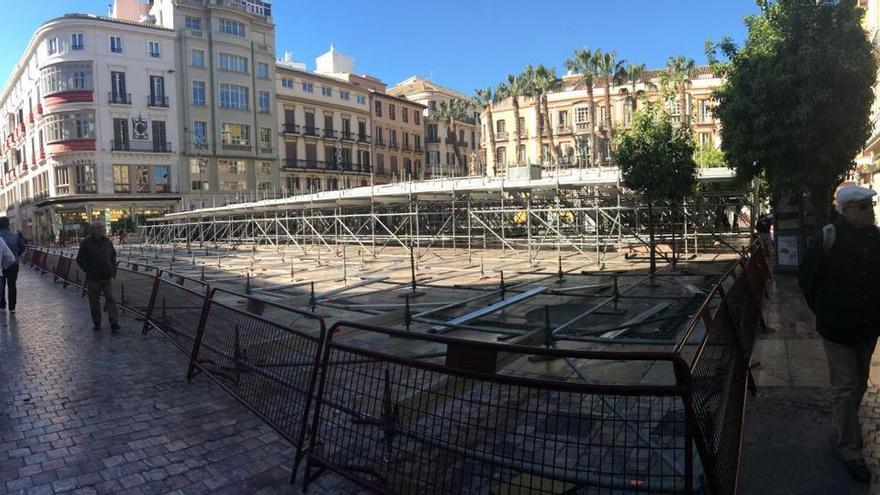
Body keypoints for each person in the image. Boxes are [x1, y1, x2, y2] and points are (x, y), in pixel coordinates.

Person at [798, 185, 880, 483]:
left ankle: (845, 424)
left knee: (859, 384)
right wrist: (825, 311)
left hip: (868, 328)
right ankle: (850, 449)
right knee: (845, 387)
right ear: (845, 211)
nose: (869, 211)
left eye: (870, 205)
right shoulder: (828, 237)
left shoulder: (876, 237)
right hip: (837, 330)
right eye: (862, 207)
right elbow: (807, 279)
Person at [76, 221, 121, 331]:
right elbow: (80, 259)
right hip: (93, 277)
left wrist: (113, 268)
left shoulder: (107, 241)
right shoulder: (86, 243)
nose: (103, 230)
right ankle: (97, 321)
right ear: (94, 230)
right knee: (94, 301)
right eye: (100, 228)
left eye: (103, 228)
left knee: (111, 299)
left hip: (106, 276)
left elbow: (113, 255)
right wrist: (88, 270)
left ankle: (114, 322)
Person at [0, 218, 25, 313]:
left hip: (1, 265)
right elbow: (22, 248)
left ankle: (2, 305)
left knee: (1, 285)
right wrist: (16, 256)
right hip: (13, 264)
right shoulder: (14, 236)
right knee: (12, 285)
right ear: (8, 225)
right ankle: (12, 308)